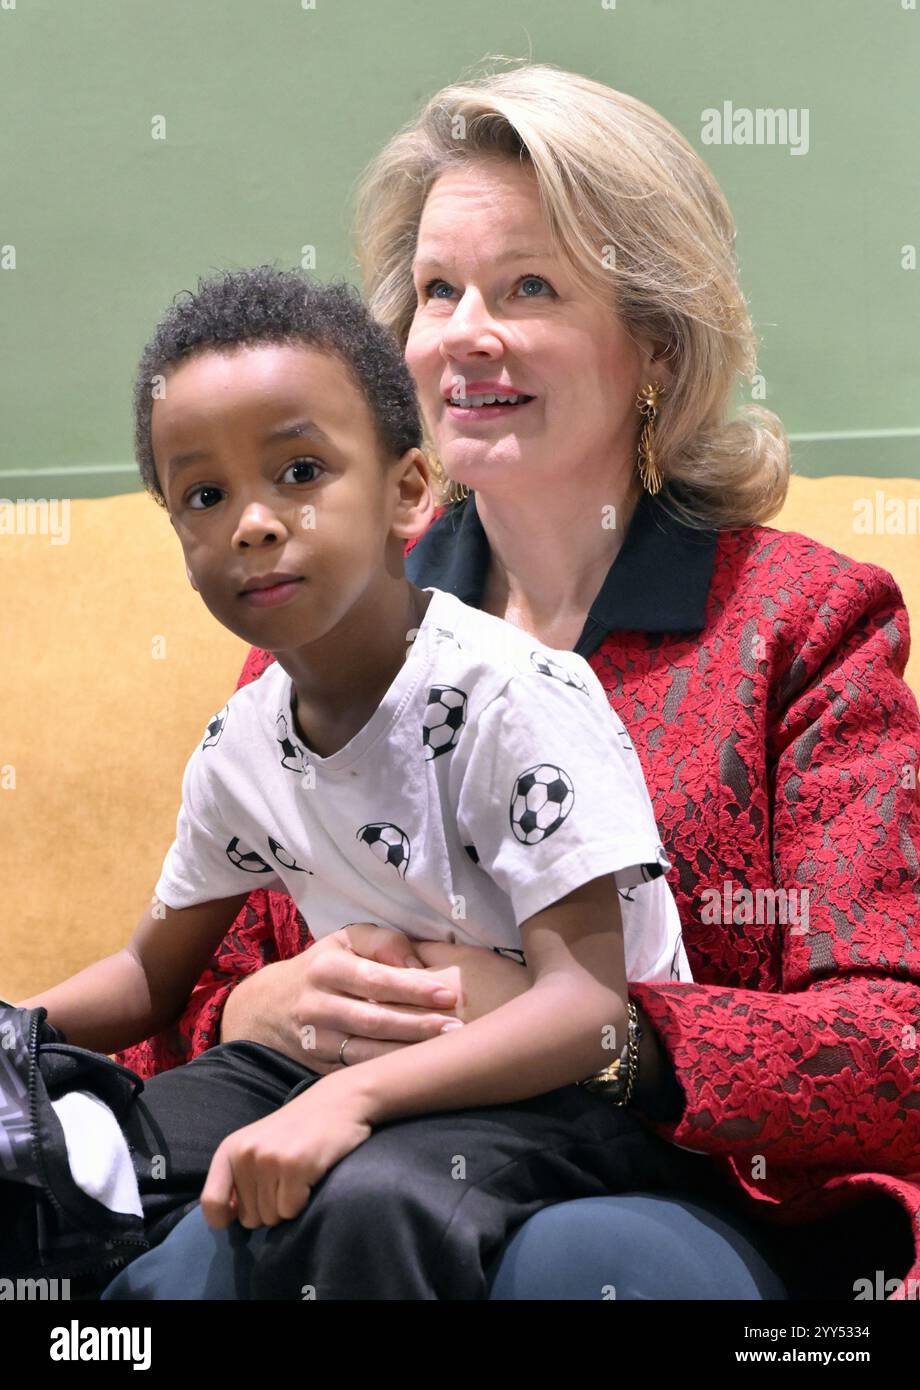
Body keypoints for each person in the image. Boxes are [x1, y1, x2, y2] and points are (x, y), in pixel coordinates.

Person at [107, 61, 920, 1299]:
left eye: (528, 285)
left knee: (568, 1265)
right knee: (179, 1258)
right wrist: (250, 1009)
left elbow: (888, 1049)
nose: (465, 331)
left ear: (653, 339)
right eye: (439, 290)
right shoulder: (321, 621)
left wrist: (596, 1032)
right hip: (350, 1170)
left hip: (673, 1192)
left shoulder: (797, 626)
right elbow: (190, 985)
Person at [19, 265, 708, 1296]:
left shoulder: (510, 699)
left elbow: (586, 1010)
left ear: (407, 493)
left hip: (564, 1094)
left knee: (369, 1194)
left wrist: (355, 1099)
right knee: (89, 1151)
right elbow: (152, 977)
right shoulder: (239, 744)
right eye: (204, 495)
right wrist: (15, 1033)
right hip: (341, 1061)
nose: (252, 521)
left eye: (299, 472)